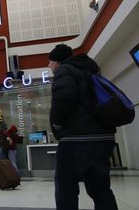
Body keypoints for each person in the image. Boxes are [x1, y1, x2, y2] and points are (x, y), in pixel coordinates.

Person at [48, 44, 118, 210]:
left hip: (76, 141)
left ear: (57, 62)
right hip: (103, 139)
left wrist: (57, 125)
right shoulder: (91, 71)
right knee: (101, 190)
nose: (48, 65)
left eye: (50, 62)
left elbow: (63, 99)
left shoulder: (64, 71)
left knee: (66, 188)